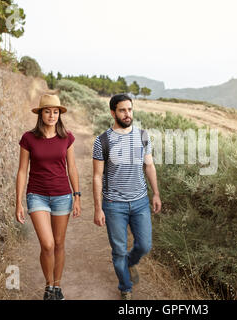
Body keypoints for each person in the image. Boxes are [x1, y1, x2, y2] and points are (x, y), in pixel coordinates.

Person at [92, 93, 161, 300]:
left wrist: (156, 193)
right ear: (113, 112)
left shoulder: (142, 135)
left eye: (130, 109)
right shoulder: (102, 141)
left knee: (144, 245)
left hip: (140, 202)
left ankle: (130, 263)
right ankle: (125, 287)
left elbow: (149, 166)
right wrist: (98, 208)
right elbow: (96, 176)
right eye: (122, 110)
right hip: (114, 205)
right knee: (119, 250)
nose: (127, 114)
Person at [15, 94, 82, 300]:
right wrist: (18, 202)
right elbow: (22, 171)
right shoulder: (28, 138)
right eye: (47, 111)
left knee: (59, 243)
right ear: (40, 114)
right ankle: (48, 284)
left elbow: (71, 167)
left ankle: (57, 288)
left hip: (63, 195)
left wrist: (77, 195)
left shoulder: (66, 137)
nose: (52, 115)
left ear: (59, 114)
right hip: (37, 196)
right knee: (48, 244)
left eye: (55, 111)